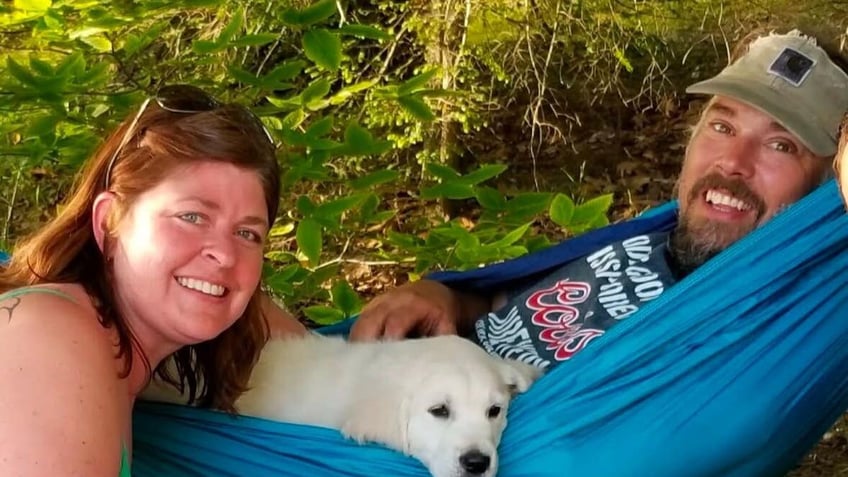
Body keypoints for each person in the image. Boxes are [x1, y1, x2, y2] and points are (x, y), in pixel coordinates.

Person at [348, 29, 848, 369]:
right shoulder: (651, 238)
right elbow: (508, 307)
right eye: (721, 125)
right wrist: (447, 298)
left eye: (781, 144)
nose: (733, 160)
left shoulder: (795, 325)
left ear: (830, 187)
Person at [0, 84, 293, 475]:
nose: (224, 254)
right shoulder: (53, 336)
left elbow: (319, 347)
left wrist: (406, 296)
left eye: (247, 234)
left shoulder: (103, 344)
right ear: (110, 222)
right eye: (192, 217)